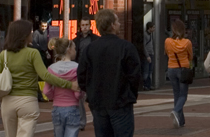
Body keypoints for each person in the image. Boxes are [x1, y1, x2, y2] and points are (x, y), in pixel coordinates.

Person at [0, 19, 75, 137]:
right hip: (28, 101)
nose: (32, 34)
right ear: (24, 36)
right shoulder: (33, 53)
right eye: (30, 32)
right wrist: (69, 84)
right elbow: (45, 76)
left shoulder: (4, 54)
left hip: (8, 102)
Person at [78, 8, 142, 137]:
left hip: (98, 102)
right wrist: (130, 95)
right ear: (112, 25)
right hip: (120, 102)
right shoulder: (126, 47)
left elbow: (81, 76)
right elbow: (135, 76)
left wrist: (91, 92)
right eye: (117, 21)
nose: (119, 24)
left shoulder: (90, 49)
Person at [46, 38, 84, 137]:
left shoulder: (51, 68)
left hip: (57, 108)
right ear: (69, 50)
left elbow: (46, 91)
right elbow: (78, 93)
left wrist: (53, 96)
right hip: (72, 107)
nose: (76, 51)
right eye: (74, 48)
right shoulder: (77, 68)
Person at [166, 18, 194, 128]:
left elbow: (167, 53)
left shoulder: (168, 41)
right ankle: (176, 111)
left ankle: (180, 121)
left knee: (176, 94)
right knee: (183, 95)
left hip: (171, 68)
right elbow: (191, 56)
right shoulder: (187, 42)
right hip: (183, 69)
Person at [143, 23, 157, 91]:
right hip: (148, 54)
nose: (154, 29)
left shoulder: (151, 35)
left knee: (150, 70)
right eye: (153, 27)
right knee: (146, 70)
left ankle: (149, 85)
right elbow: (144, 46)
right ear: (149, 28)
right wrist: (147, 55)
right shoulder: (145, 35)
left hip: (151, 53)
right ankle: (145, 85)